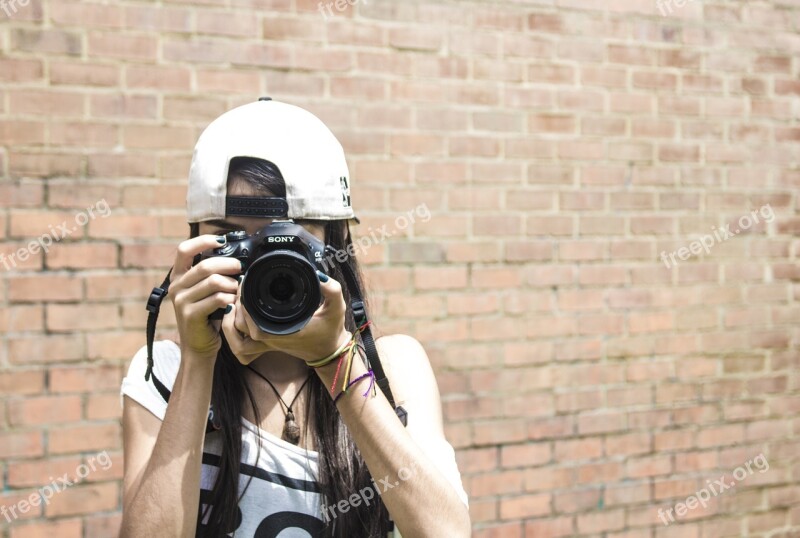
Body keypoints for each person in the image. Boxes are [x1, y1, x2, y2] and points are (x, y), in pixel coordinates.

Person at [119, 98, 471, 537]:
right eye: (235, 242)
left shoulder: (393, 369)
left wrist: (335, 361)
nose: (264, 270)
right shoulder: (164, 374)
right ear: (196, 249)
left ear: (335, 245)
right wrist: (197, 362)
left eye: (284, 244)